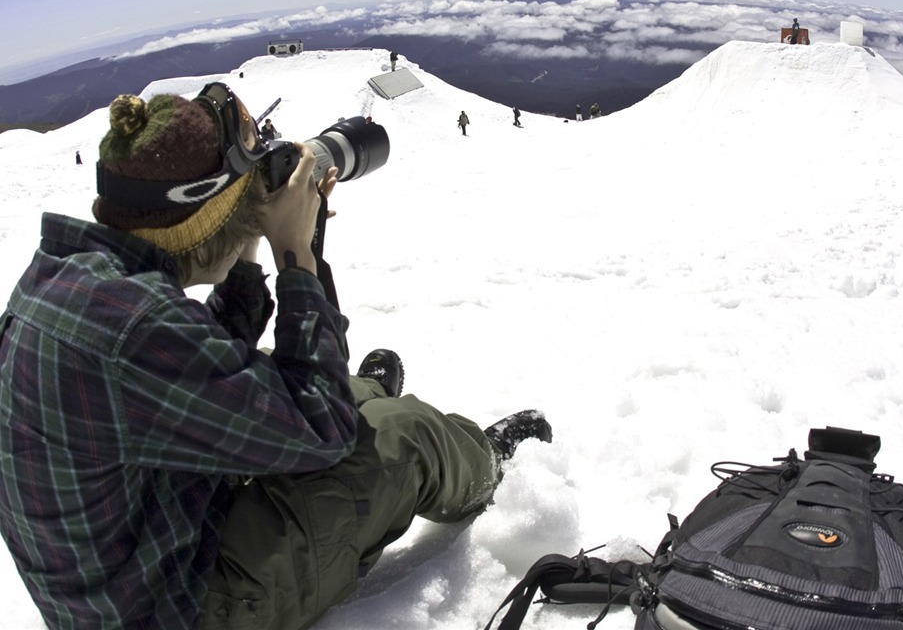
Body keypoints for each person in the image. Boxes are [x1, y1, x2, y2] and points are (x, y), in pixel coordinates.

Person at [0, 84, 552, 630]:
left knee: (326, 392)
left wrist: (244, 242)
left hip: (131, 561)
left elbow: (190, 358)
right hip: (183, 603)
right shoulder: (134, 329)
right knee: (400, 433)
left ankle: (353, 390)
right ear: (205, 218)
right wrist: (296, 255)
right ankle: (485, 464)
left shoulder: (67, 282)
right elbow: (323, 432)